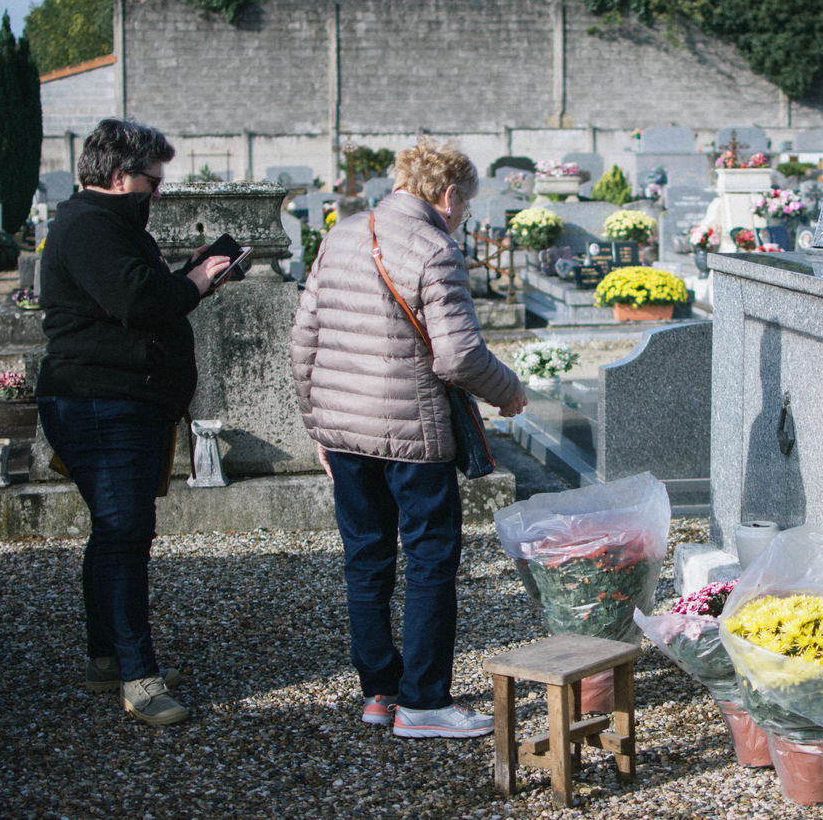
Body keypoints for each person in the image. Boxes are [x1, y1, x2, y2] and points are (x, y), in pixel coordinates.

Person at [290, 139, 527, 739]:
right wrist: (508, 391)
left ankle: (379, 691)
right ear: (448, 195)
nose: (462, 216)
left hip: (344, 431)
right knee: (429, 561)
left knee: (365, 558)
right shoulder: (435, 248)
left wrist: (317, 425)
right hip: (412, 434)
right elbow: (458, 356)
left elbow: (304, 340)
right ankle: (423, 703)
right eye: (464, 206)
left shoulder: (341, 234)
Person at [36, 118, 232, 726]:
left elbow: (138, 293)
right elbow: (139, 302)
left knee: (115, 534)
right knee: (124, 535)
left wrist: (189, 276)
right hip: (100, 404)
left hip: (123, 403)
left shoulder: (107, 224)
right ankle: (138, 677)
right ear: (122, 177)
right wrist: (196, 281)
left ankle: (108, 658)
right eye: (153, 181)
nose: (156, 192)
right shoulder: (89, 226)